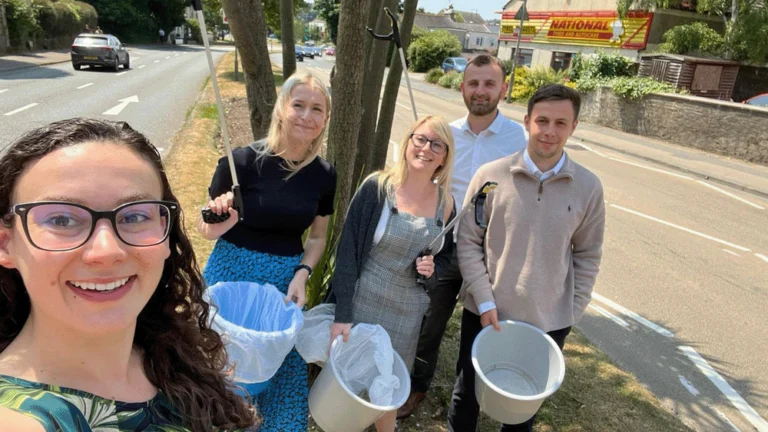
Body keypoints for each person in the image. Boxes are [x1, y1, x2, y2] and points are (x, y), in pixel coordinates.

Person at [0, 118, 258, 431]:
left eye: (135, 215)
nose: (107, 251)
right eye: (62, 220)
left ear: (166, 235)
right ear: (6, 244)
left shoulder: (171, 352)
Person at [448, 84, 606, 431]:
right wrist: (484, 300)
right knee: (467, 399)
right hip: (486, 313)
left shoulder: (589, 188)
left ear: (574, 127)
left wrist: (571, 309)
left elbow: (588, 255)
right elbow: (469, 241)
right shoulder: (490, 177)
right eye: (542, 121)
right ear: (527, 122)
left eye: (561, 123)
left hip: (547, 323)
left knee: (521, 412)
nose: (550, 132)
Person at [198, 72, 336, 432]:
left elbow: (317, 238)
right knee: (218, 365)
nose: (307, 116)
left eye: (316, 108)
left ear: (325, 118)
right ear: (281, 108)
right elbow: (206, 230)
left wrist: (302, 273)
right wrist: (220, 216)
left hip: (283, 284)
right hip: (230, 274)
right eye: (299, 105)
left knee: (273, 373)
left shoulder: (324, 175)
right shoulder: (241, 161)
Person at [398, 53, 528, 419]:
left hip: (491, 250)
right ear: (462, 88)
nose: (481, 91)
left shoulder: (519, 139)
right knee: (428, 318)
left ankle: (476, 393)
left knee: (485, 325)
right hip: (445, 242)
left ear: (504, 88)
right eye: (473, 83)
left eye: (489, 83)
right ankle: (416, 385)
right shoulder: (448, 135)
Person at [330, 115, 456, 432]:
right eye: (420, 139)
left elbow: (446, 260)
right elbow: (346, 251)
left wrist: (431, 270)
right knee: (349, 385)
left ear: (444, 157)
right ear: (408, 141)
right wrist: (343, 312)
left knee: (388, 388)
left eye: (436, 144)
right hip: (363, 304)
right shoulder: (377, 188)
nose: (426, 148)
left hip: (407, 316)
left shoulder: (447, 203)